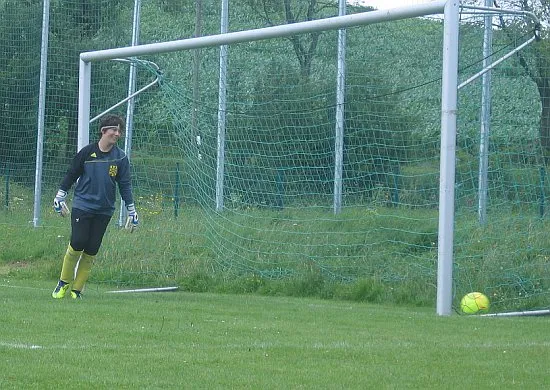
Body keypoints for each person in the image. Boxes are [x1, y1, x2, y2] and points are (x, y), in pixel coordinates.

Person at [51, 114, 138, 299]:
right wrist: (60, 195)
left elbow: (125, 185)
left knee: (92, 248)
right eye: (114, 129)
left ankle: (77, 290)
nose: (117, 134)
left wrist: (132, 209)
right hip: (82, 205)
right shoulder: (87, 152)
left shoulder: (121, 158)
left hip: (104, 209)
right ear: (103, 131)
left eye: (119, 130)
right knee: (78, 242)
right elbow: (72, 173)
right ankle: (64, 282)